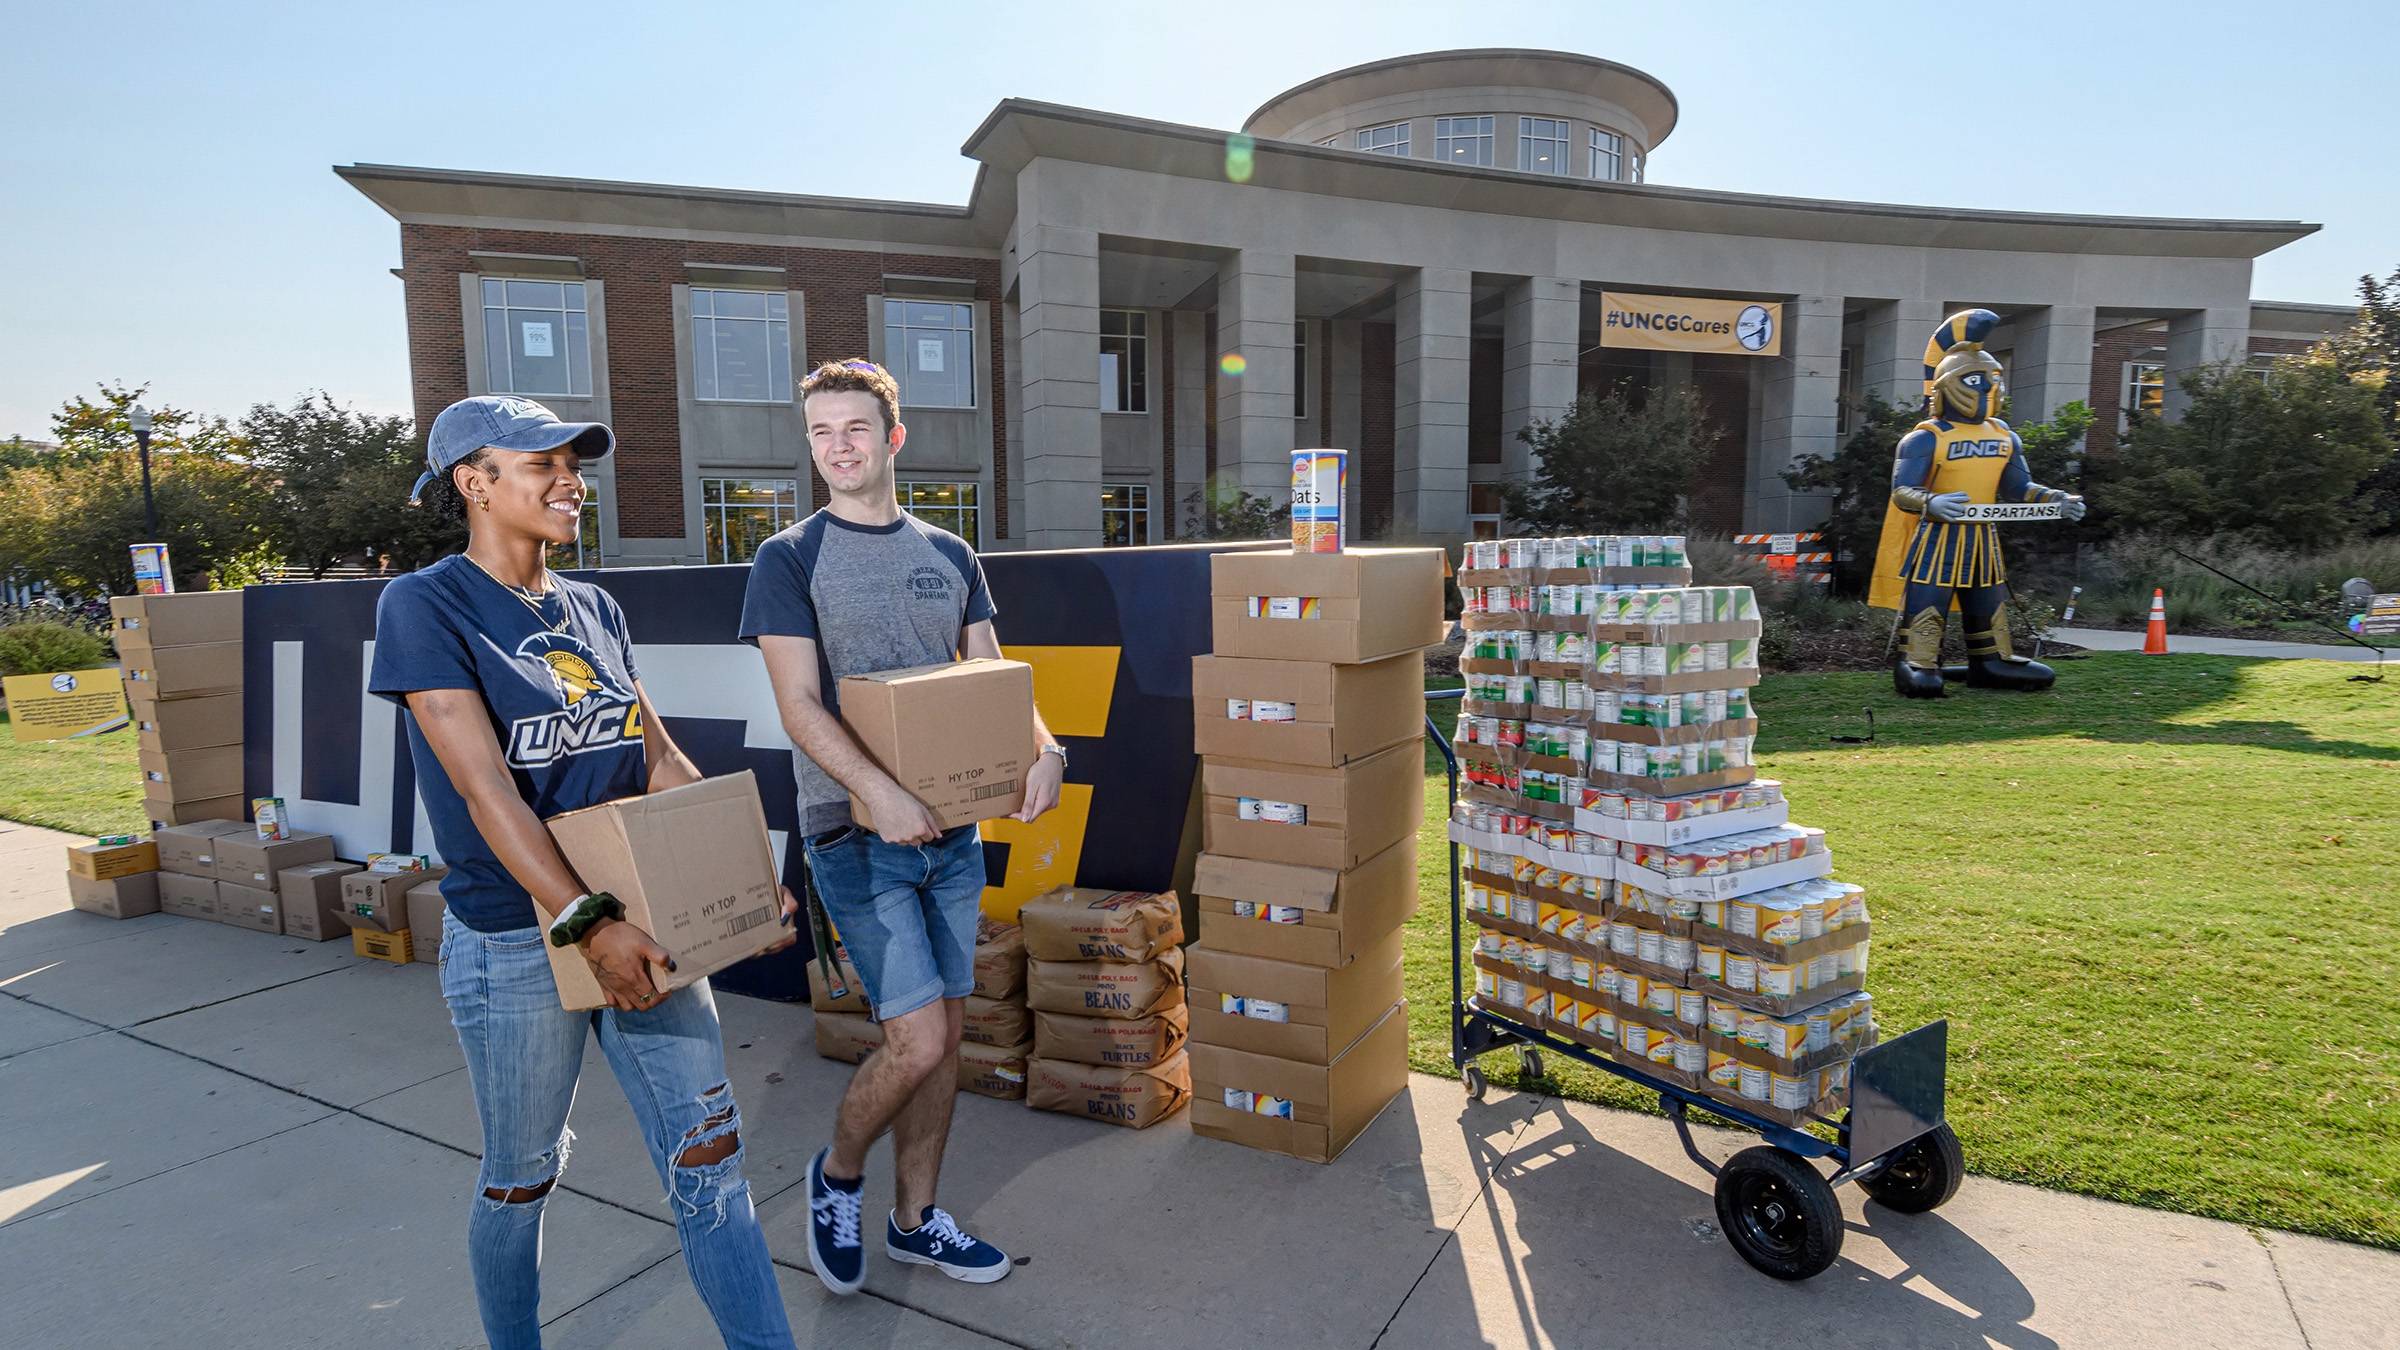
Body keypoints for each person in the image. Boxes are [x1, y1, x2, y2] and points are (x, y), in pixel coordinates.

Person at [371, 394, 799, 1350]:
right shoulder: (425, 603)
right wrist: (588, 923)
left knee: (712, 1163)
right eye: (540, 464)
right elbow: (487, 793)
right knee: (522, 1176)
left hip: (644, 926)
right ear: (472, 483)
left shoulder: (595, 607)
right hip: (517, 943)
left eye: (573, 462)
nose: (570, 481)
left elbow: (655, 756)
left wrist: (738, 864)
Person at [740, 359, 1065, 1296]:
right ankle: (837, 1176)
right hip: (853, 837)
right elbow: (799, 704)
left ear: (893, 438)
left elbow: (995, 684)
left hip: (954, 839)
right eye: (820, 434)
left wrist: (1046, 750)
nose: (836, 449)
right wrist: (877, 793)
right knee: (915, 1043)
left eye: (853, 429)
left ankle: (917, 1221)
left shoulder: (950, 555)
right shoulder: (790, 558)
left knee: (948, 1037)